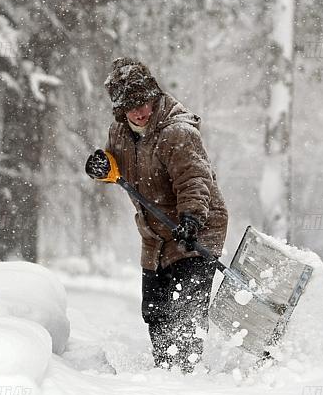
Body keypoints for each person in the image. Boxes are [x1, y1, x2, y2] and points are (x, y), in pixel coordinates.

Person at [85, 57, 228, 373]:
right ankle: (166, 368)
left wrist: (192, 218)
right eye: (131, 106)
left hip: (197, 227)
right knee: (154, 309)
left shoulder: (177, 132)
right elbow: (118, 166)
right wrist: (102, 167)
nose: (141, 111)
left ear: (155, 94)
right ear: (120, 110)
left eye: (145, 101)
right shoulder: (120, 133)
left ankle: (186, 374)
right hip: (155, 235)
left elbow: (194, 178)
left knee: (184, 309)